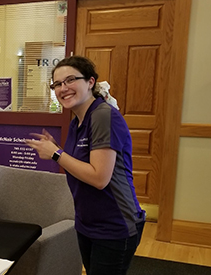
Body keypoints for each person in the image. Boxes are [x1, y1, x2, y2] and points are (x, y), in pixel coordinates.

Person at [25, 56, 145, 275]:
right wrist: (56, 149)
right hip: (87, 222)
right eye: (58, 84)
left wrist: (56, 153)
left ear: (90, 82)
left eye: (70, 80)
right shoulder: (77, 121)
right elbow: (79, 165)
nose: (63, 88)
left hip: (115, 224)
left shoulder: (103, 116)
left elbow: (99, 178)